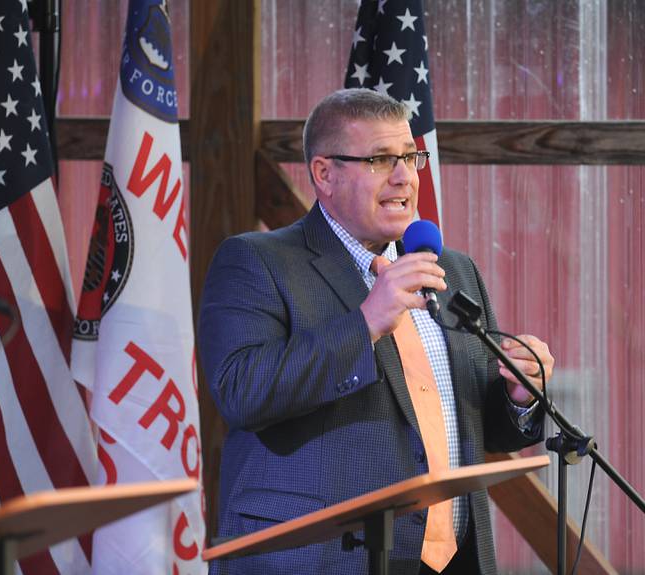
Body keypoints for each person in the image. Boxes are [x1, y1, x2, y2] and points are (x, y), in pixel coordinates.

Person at [197, 88, 554, 575]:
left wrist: (518, 395)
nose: (405, 176)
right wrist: (365, 323)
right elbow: (242, 392)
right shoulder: (257, 261)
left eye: (411, 156)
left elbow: (471, 427)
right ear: (324, 173)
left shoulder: (452, 269)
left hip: (452, 560)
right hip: (316, 560)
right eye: (382, 159)